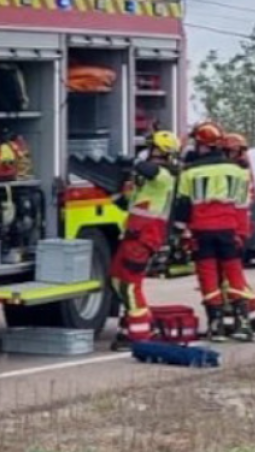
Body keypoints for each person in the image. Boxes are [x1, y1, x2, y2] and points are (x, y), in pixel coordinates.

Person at [176, 121, 255, 342]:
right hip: (229, 231)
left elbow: (183, 207)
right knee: (235, 275)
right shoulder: (239, 172)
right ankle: (243, 324)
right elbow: (242, 206)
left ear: (203, 146)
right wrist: (241, 234)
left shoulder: (190, 172)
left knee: (208, 277)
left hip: (202, 232)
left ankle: (216, 326)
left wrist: (180, 234)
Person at [110, 130, 181, 349]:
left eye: (152, 148)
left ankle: (141, 336)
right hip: (133, 235)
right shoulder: (149, 180)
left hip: (144, 238)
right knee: (117, 280)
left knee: (131, 286)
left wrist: (132, 161)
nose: (148, 152)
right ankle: (135, 327)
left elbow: (150, 170)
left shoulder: (165, 175)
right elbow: (129, 203)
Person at [222, 132, 255, 333]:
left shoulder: (238, 172)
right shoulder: (242, 169)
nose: (227, 155)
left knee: (232, 278)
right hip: (238, 227)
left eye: (230, 151)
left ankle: (253, 316)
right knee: (231, 277)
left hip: (236, 229)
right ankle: (247, 317)